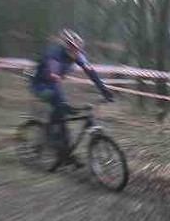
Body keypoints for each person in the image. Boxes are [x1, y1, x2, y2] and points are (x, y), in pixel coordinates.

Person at [30, 28, 114, 167]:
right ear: (66, 47)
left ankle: (65, 153)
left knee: (63, 119)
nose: (77, 54)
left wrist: (104, 89)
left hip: (54, 83)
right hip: (40, 85)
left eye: (78, 50)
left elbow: (91, 72)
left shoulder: (77, 55)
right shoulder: (54, 56)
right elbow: (54, 78)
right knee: (58, 103)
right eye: (74, 49)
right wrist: (62, 102)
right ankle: (50, 136)